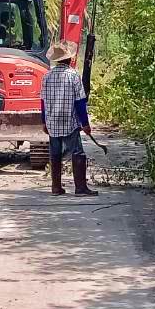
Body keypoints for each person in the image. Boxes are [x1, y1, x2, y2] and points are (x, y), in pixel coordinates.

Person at [40, 40, 97, 197]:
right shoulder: (73, 76)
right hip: (69, 121)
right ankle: (80, 188)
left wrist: (43, 121)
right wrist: (85, 123)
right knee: (77, 152)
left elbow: (43, 101)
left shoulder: (47, 76)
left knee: (55, 154)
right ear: (70, 59)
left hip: (52, 122)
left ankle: (56, 188)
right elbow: (80, 103)